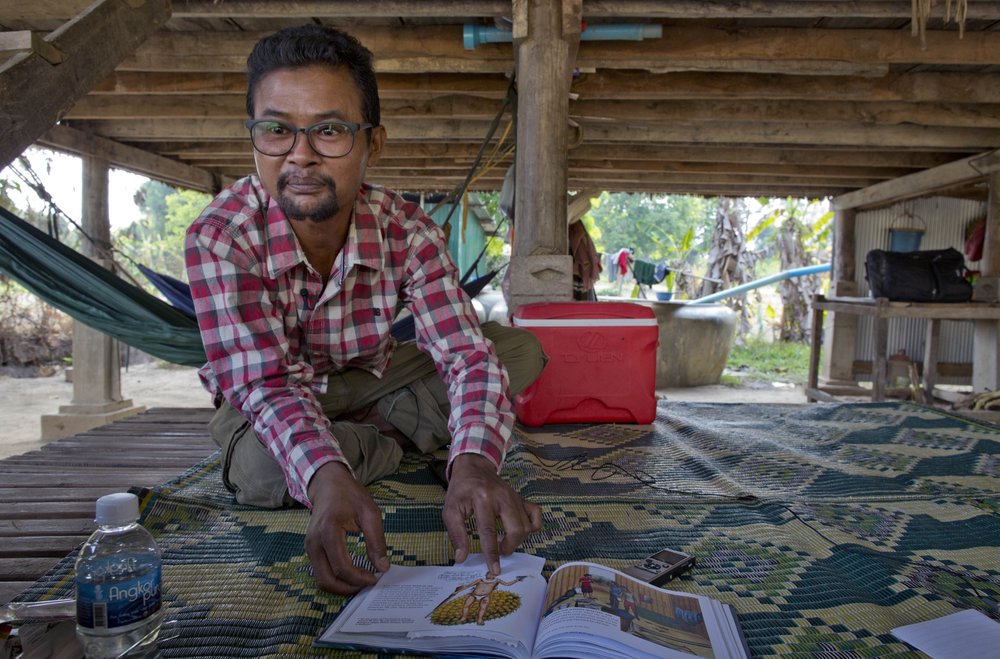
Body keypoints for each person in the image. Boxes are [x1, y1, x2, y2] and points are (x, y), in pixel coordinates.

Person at [184, 24, 546, 596]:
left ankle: (369, 437)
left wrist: (476, 464)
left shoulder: (410, 231)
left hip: (373, 376)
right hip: (271, 389)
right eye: (276, 130)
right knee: (259, 469)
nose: (300, 155)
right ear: (253, 138)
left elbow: (466, 357)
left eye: (329, 130)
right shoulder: (220, 236)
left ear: (373, 144)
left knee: (519, 350)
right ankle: (383, 440)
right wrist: (326, 479)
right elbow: (263, 384)